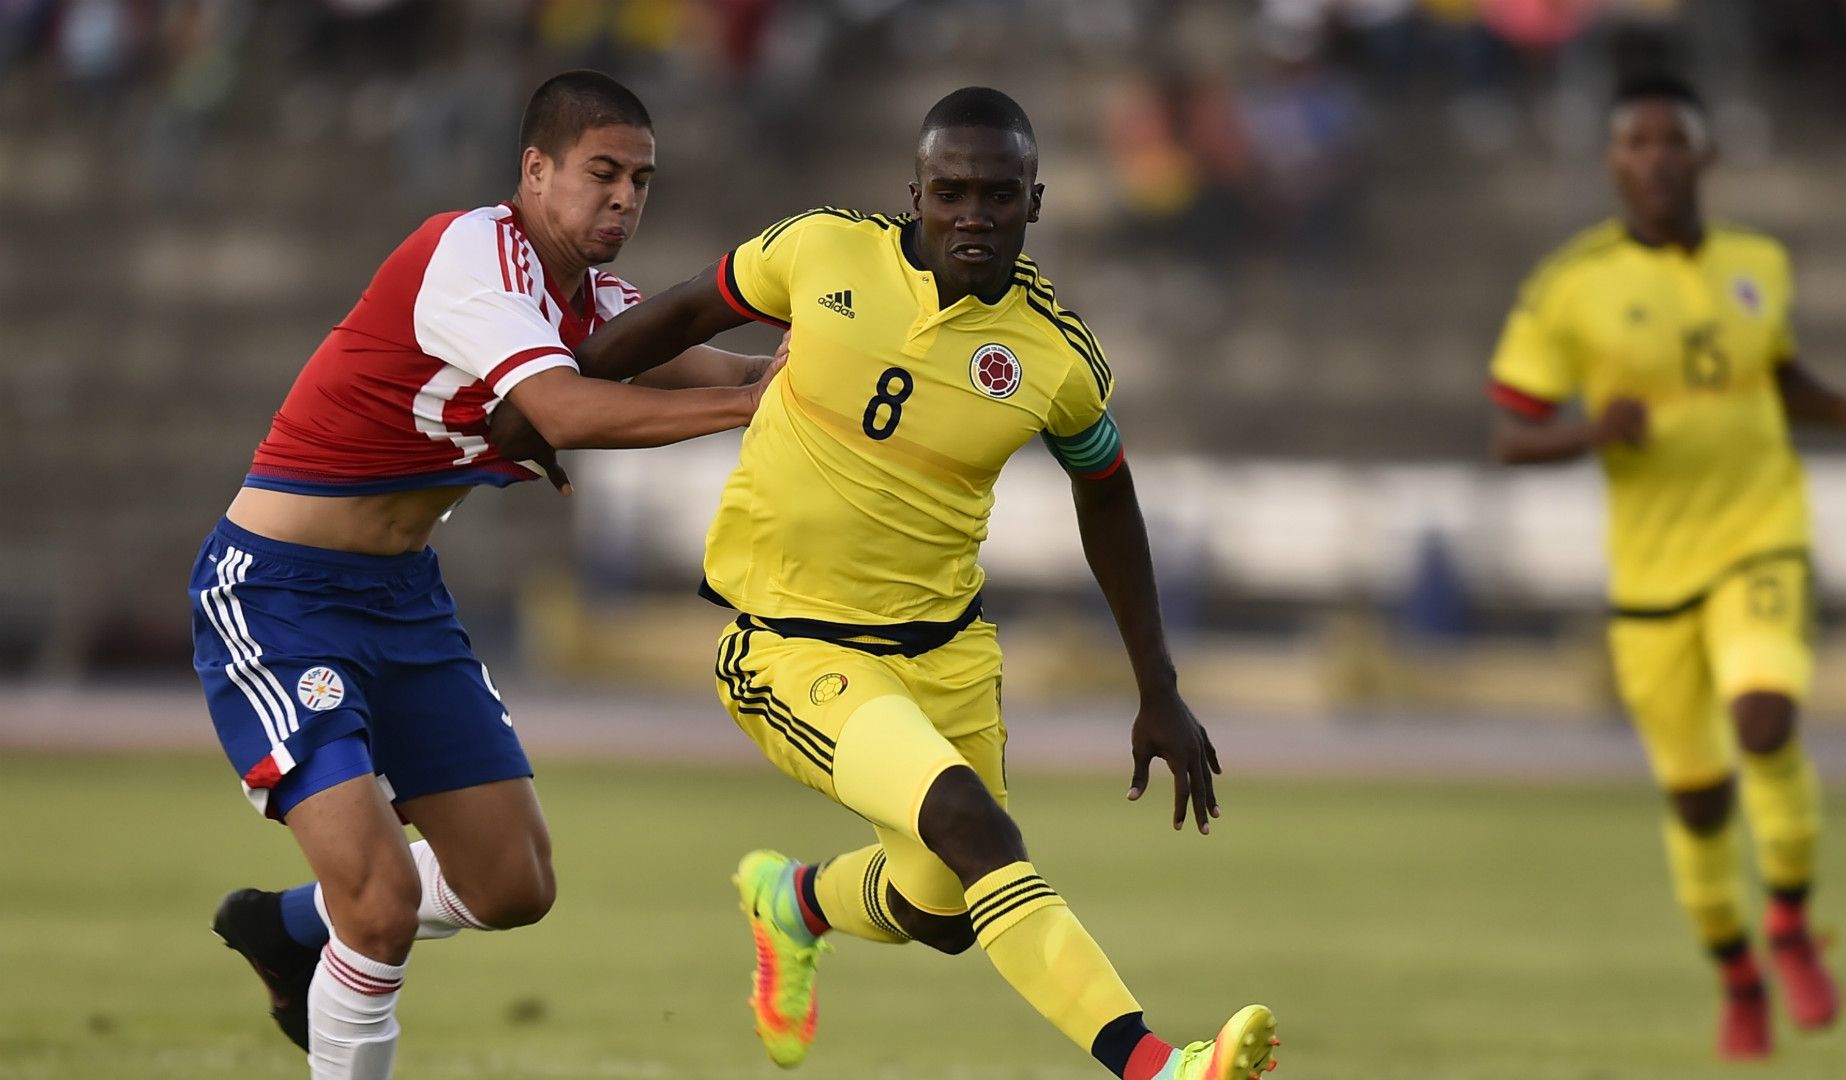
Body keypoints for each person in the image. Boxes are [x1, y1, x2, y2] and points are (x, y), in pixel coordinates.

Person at [497, 85, 1278, 1080]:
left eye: (1000, 194)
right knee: (974, 828)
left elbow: (1109, 498)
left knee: (945, 910)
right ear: (914, 190)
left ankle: (795, 902)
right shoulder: (820, 250)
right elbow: (689, 309)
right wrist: (550, 401)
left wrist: (1156, 684)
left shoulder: (1055, 357)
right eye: (951, 190)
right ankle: (1159, 1065)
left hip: (946, 653)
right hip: (794, 645)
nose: (974, 215)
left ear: (1035, 202)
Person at [194, 69, 779, 1078]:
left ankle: (292, 930)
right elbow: (573, 411)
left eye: (642, 181)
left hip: (403, 598)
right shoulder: (473, 255)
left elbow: (717, 368)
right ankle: (335, 934)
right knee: (376, 907)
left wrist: (832, 371)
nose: (626, 199)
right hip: (282, 593)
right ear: (536, 169)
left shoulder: (587, 296)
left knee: (513, 884)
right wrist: (750, 410)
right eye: (603, 173)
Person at [1487, 74, 1846, 1061]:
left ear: (1705, 157)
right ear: (1613, 162)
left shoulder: (1760, 262)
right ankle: (1739, 974)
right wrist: (1596, 430)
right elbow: (1511, 433)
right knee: (1700, 800)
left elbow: (1771, 372)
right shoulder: (1570, 285)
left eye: (1673, 141)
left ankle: (1793, 923)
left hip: (1761, 532)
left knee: (1766, 717)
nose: (1655, 158)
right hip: (1650, 576)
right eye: (1635, 142)